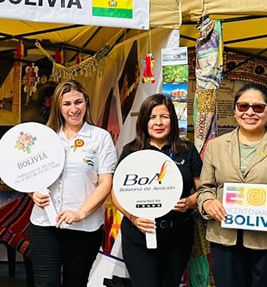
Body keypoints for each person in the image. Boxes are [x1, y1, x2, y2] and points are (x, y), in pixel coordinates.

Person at [197, 82, 267, 287]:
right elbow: (205, 189)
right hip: (226, 241)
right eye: (243, 106)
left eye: (258, 107)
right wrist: (207, 203)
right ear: (235, 110)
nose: (250, 112)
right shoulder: (215, 147)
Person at [29, 80, 117, 287]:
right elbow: (28, 174)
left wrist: (80, 213)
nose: (73, 109)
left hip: (84, 227)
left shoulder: (100, 138)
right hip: (44, 224)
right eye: (66, 104)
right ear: (58, 107)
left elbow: (106, 182)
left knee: (75, 283)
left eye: (78, 102)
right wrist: (32, 192)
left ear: (86, 102)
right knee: (46, 284)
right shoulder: (45, 137)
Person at [112, 94, 202, 287]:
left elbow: (203, 190)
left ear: (173, 120)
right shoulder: (132, 151)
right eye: (152, 117)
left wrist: (190, 202)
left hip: (177, 236)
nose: (158, 122)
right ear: (144, 121)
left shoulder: (187, 150)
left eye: (165, 117)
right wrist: (133, 218)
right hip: (138, 237)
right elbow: (116, 192)